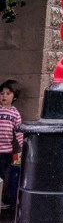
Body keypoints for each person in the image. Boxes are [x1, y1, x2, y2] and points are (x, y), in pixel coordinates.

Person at [0, 79, 23, 211]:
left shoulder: (15, 113)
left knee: (3, 177)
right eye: (2, 93)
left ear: (14, 96)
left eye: (8, 93)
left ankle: (2, 199)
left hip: (7, 151)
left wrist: (22, 147)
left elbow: (19, 133)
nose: (4, 96)